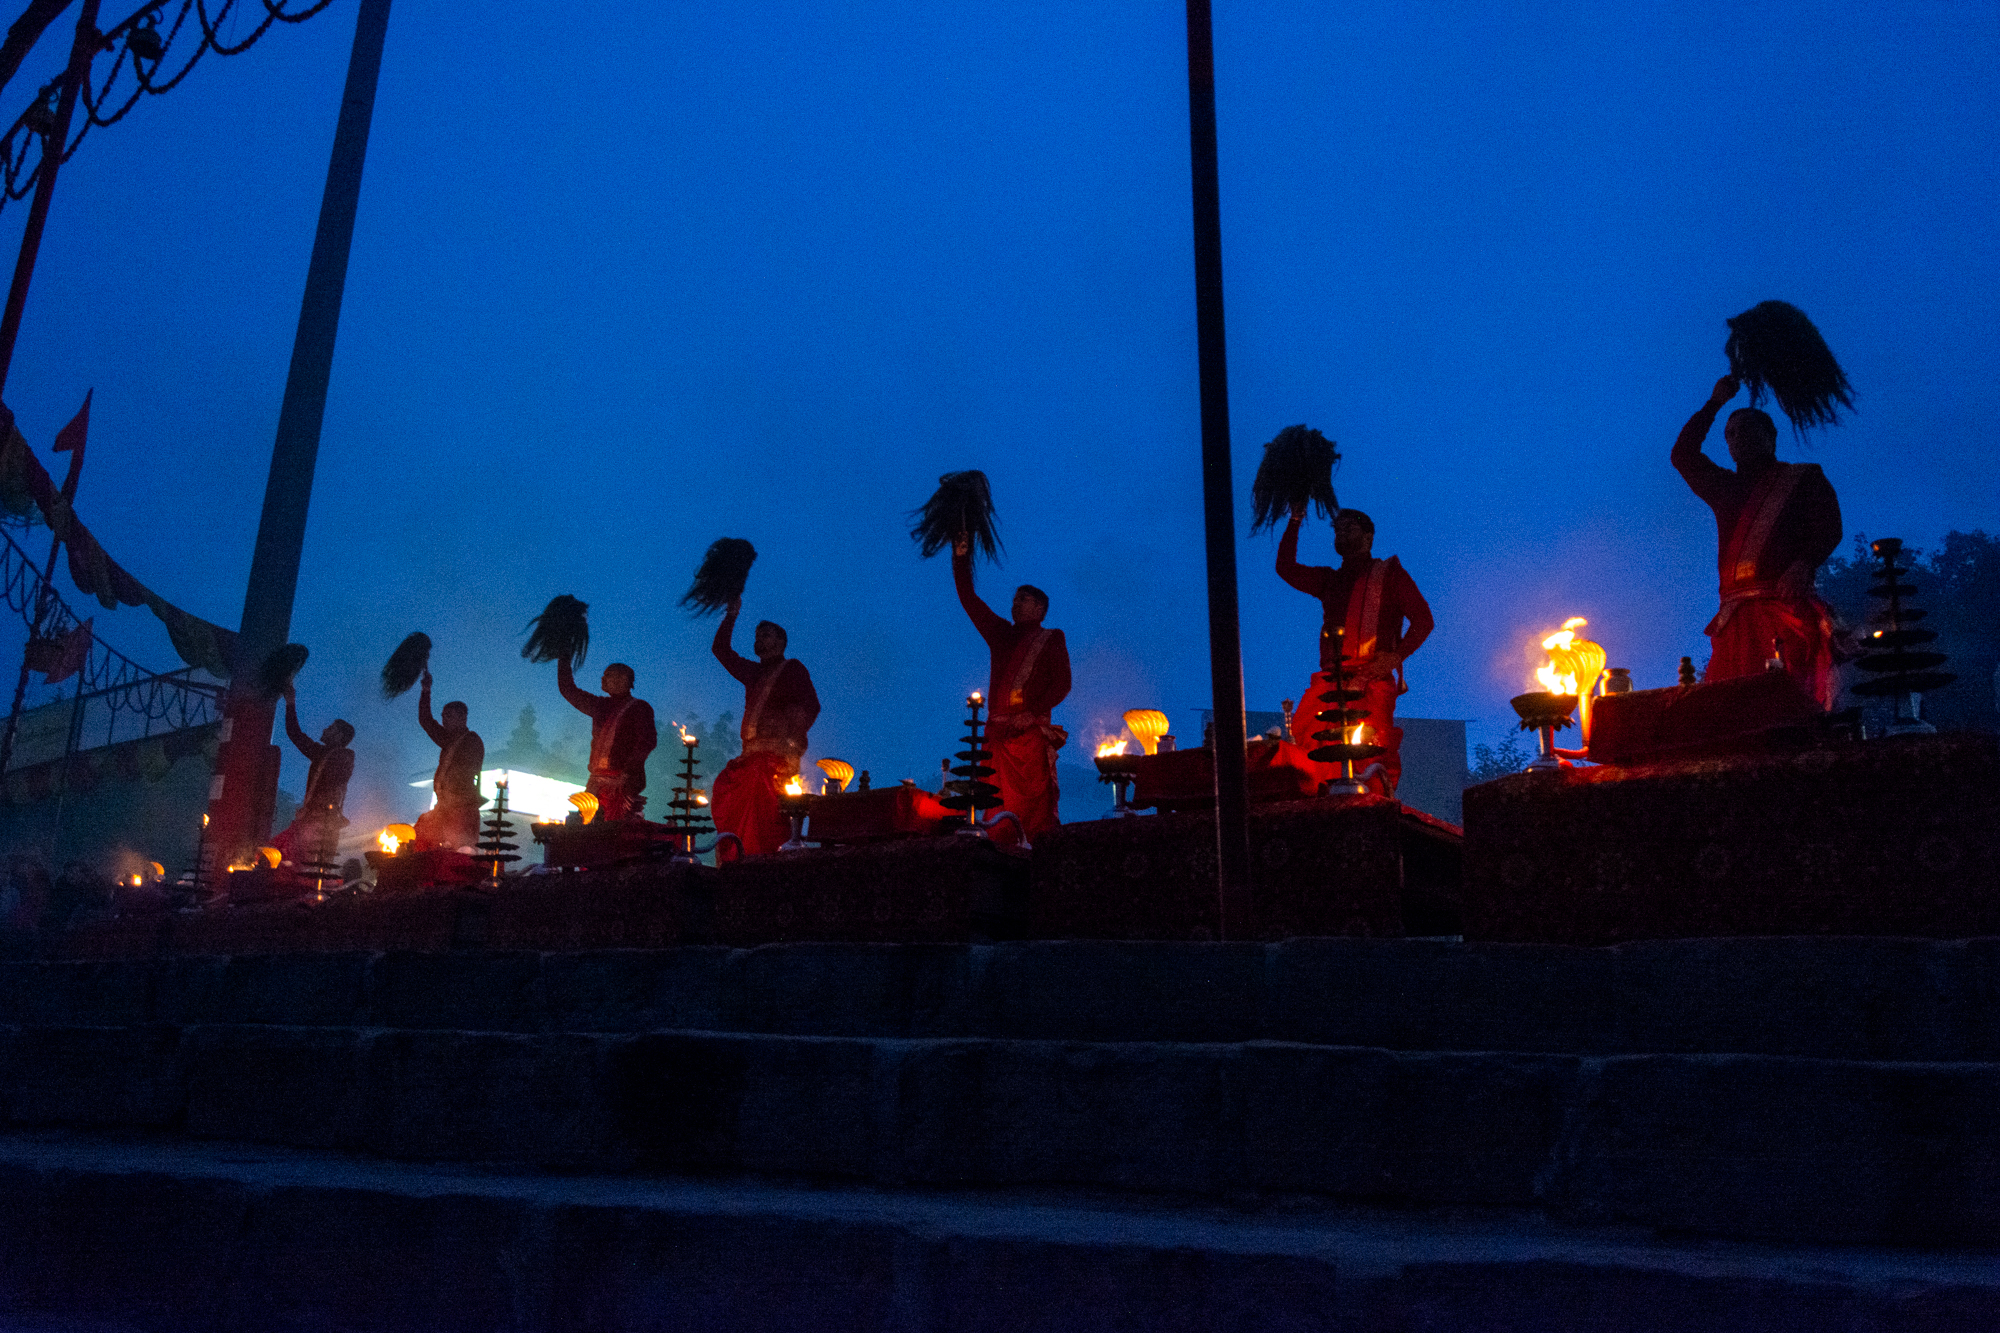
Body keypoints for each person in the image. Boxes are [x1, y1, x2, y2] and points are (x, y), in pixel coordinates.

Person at [1673, 373, 1843, 709]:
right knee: (1733, 706)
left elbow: (1829, 528)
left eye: (1747, 429)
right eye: (1731, 434)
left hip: (1786, 608)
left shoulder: (1803, 478)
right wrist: (1715, 403)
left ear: (1771, 436)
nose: (1738, 439)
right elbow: (1683, 455)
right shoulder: (1723, 487)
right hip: (1735, 619)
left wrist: (1804, 563)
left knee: (1791, 700)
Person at [1277, 503, 1434, 797]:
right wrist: (1295, 519)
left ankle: (1370, 808)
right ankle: (1323, 806)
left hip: (1372, 680)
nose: (1341, 534)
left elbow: (1424, 620)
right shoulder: (1330, 580)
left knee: (1370, 750)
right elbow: (1285, 569)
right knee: (1312, 746)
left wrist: (1395, 656)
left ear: (1369, 536)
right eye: (1337, 530)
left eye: (1349, 528)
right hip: (1330, 683)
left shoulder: (1390, 575)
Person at [952, 533, 1071, 837]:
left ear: (1040, 609)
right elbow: (969, 599)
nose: (1015, 604)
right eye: (1014, 599)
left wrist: (1031, 714)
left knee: (1034, 813)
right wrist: (960, 554)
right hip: (997, 736)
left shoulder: (1052, 638)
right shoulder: (1001, 634)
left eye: (1023, 599)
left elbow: (1062, 685)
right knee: (993, 810)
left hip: (1029, 736)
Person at [708, 598, 821, 855]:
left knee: (766, 821)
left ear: (781, 642)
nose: (758, 640)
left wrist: (792, 748)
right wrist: (731, 616)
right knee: (726, 796)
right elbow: (721, 650)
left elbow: (810, 706)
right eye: (757, 636)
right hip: (748, 761)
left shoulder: (792, 669)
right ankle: (734, 863)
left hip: (772, 763)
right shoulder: (754, 672)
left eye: (765, 635)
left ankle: (762, 865)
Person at [556, 657, 656, 821]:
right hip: (596, 784)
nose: (607, 680)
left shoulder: (639, 708)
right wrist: (564, 657)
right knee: (588, 824)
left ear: (626, 680)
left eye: (613, 676)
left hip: (622, 784)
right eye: (607, 676)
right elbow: (568, 690)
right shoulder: (600, 706)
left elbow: (647, 742)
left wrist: (627, 773)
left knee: (616, 826)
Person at [271, 683, 355, 864]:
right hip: (322, 823)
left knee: (290, 860)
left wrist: (290, 702)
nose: (324, 730)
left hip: (316, 823)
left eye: (331, 728)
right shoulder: (339, 758)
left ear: (339, 736)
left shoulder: (330, 756)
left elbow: (295, 733)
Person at [413, 669, 485, 850]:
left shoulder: (471, 741)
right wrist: (426, 690)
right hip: (446, 807)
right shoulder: (449, 739)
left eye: (449, 716)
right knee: (423, 836)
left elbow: (462, 774)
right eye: (443, 716)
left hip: (461, 808)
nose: (444, 721)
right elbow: (426, 720)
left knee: (459, 851)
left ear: (463, 718)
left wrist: (451, 798)